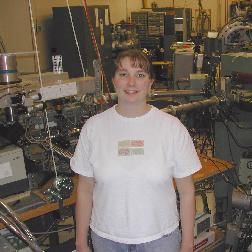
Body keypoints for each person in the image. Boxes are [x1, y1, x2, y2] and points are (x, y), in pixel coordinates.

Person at [70, 49, 202, 252]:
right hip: (106, 240)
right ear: (114, 80)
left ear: (150, 83)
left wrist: (187, 243)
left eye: (139, 75)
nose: (131, 83)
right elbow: (85, 189)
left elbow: (186, 191)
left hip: (160, 240)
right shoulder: (93, 128)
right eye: (124, 74)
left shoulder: (172, 128)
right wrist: (80, 242)